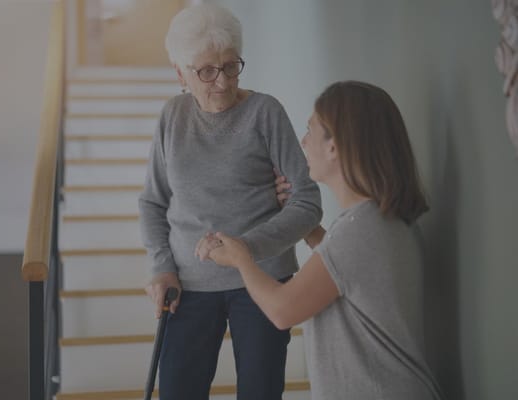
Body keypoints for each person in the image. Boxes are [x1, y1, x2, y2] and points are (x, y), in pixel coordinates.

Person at [208, 81, 444, 400]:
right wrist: (308, 228)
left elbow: (282, 310)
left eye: (310, 130)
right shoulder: (379, 220)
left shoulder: (360, 229)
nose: (303, 142)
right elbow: (345, 276)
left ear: (334, 146)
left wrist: (241, 259)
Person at [138, 3, 322, 400]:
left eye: (230, 67)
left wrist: (244, 251)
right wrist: (161, 267)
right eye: (206, 71)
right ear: (180, 73)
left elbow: (307, 203)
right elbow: (153, 202)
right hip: (187, 284)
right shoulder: (172, 117)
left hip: (262, 281)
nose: (221, 82)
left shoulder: (264, 112)